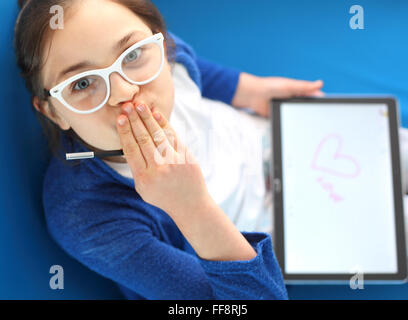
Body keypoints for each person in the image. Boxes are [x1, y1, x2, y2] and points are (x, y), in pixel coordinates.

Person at [14, 0, 324, 299]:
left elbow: (194, 69)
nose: (125, 92)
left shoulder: (160, 51)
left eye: (132, 55)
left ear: (162, 45)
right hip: (277, 234)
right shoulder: (86, 214)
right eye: (82, 84)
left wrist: (252, 90)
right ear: (53, 112)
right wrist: (191, 207)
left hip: (281, 141)